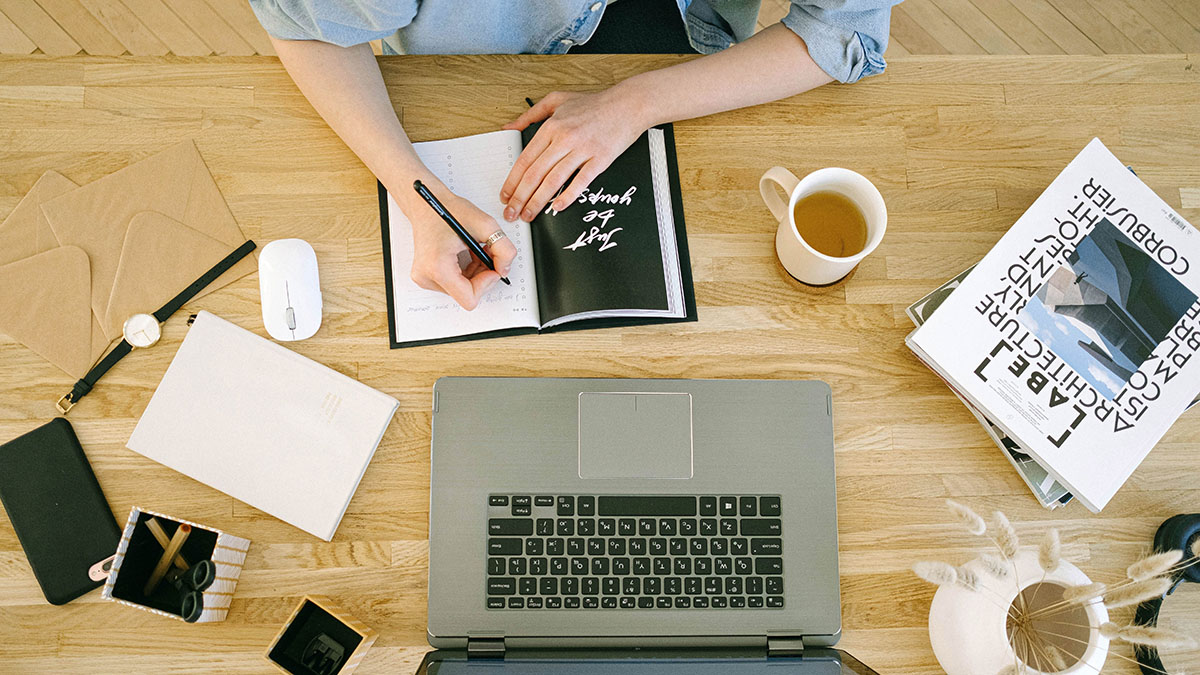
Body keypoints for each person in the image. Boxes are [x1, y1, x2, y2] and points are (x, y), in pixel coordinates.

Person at [249, 0, 896, 310]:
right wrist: (417, 192)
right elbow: (306, 27)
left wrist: (634, 103)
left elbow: (841, 30)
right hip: (451, 71)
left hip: (674, 42)